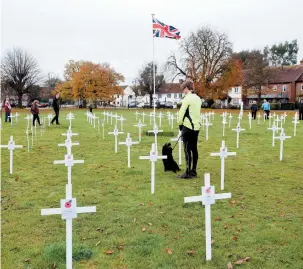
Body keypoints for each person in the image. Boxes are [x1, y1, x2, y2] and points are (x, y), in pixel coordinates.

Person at [177, 80, 202, 179]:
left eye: (183, 88)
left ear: (187, 88)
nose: (183, 91)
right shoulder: (198, 98)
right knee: (194, 148)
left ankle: (187, 172)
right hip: (196, 127)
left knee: (187, 149)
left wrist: (180, 125)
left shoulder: (186, 99)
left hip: (187, 126)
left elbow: (181, 113)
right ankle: (194, 171)